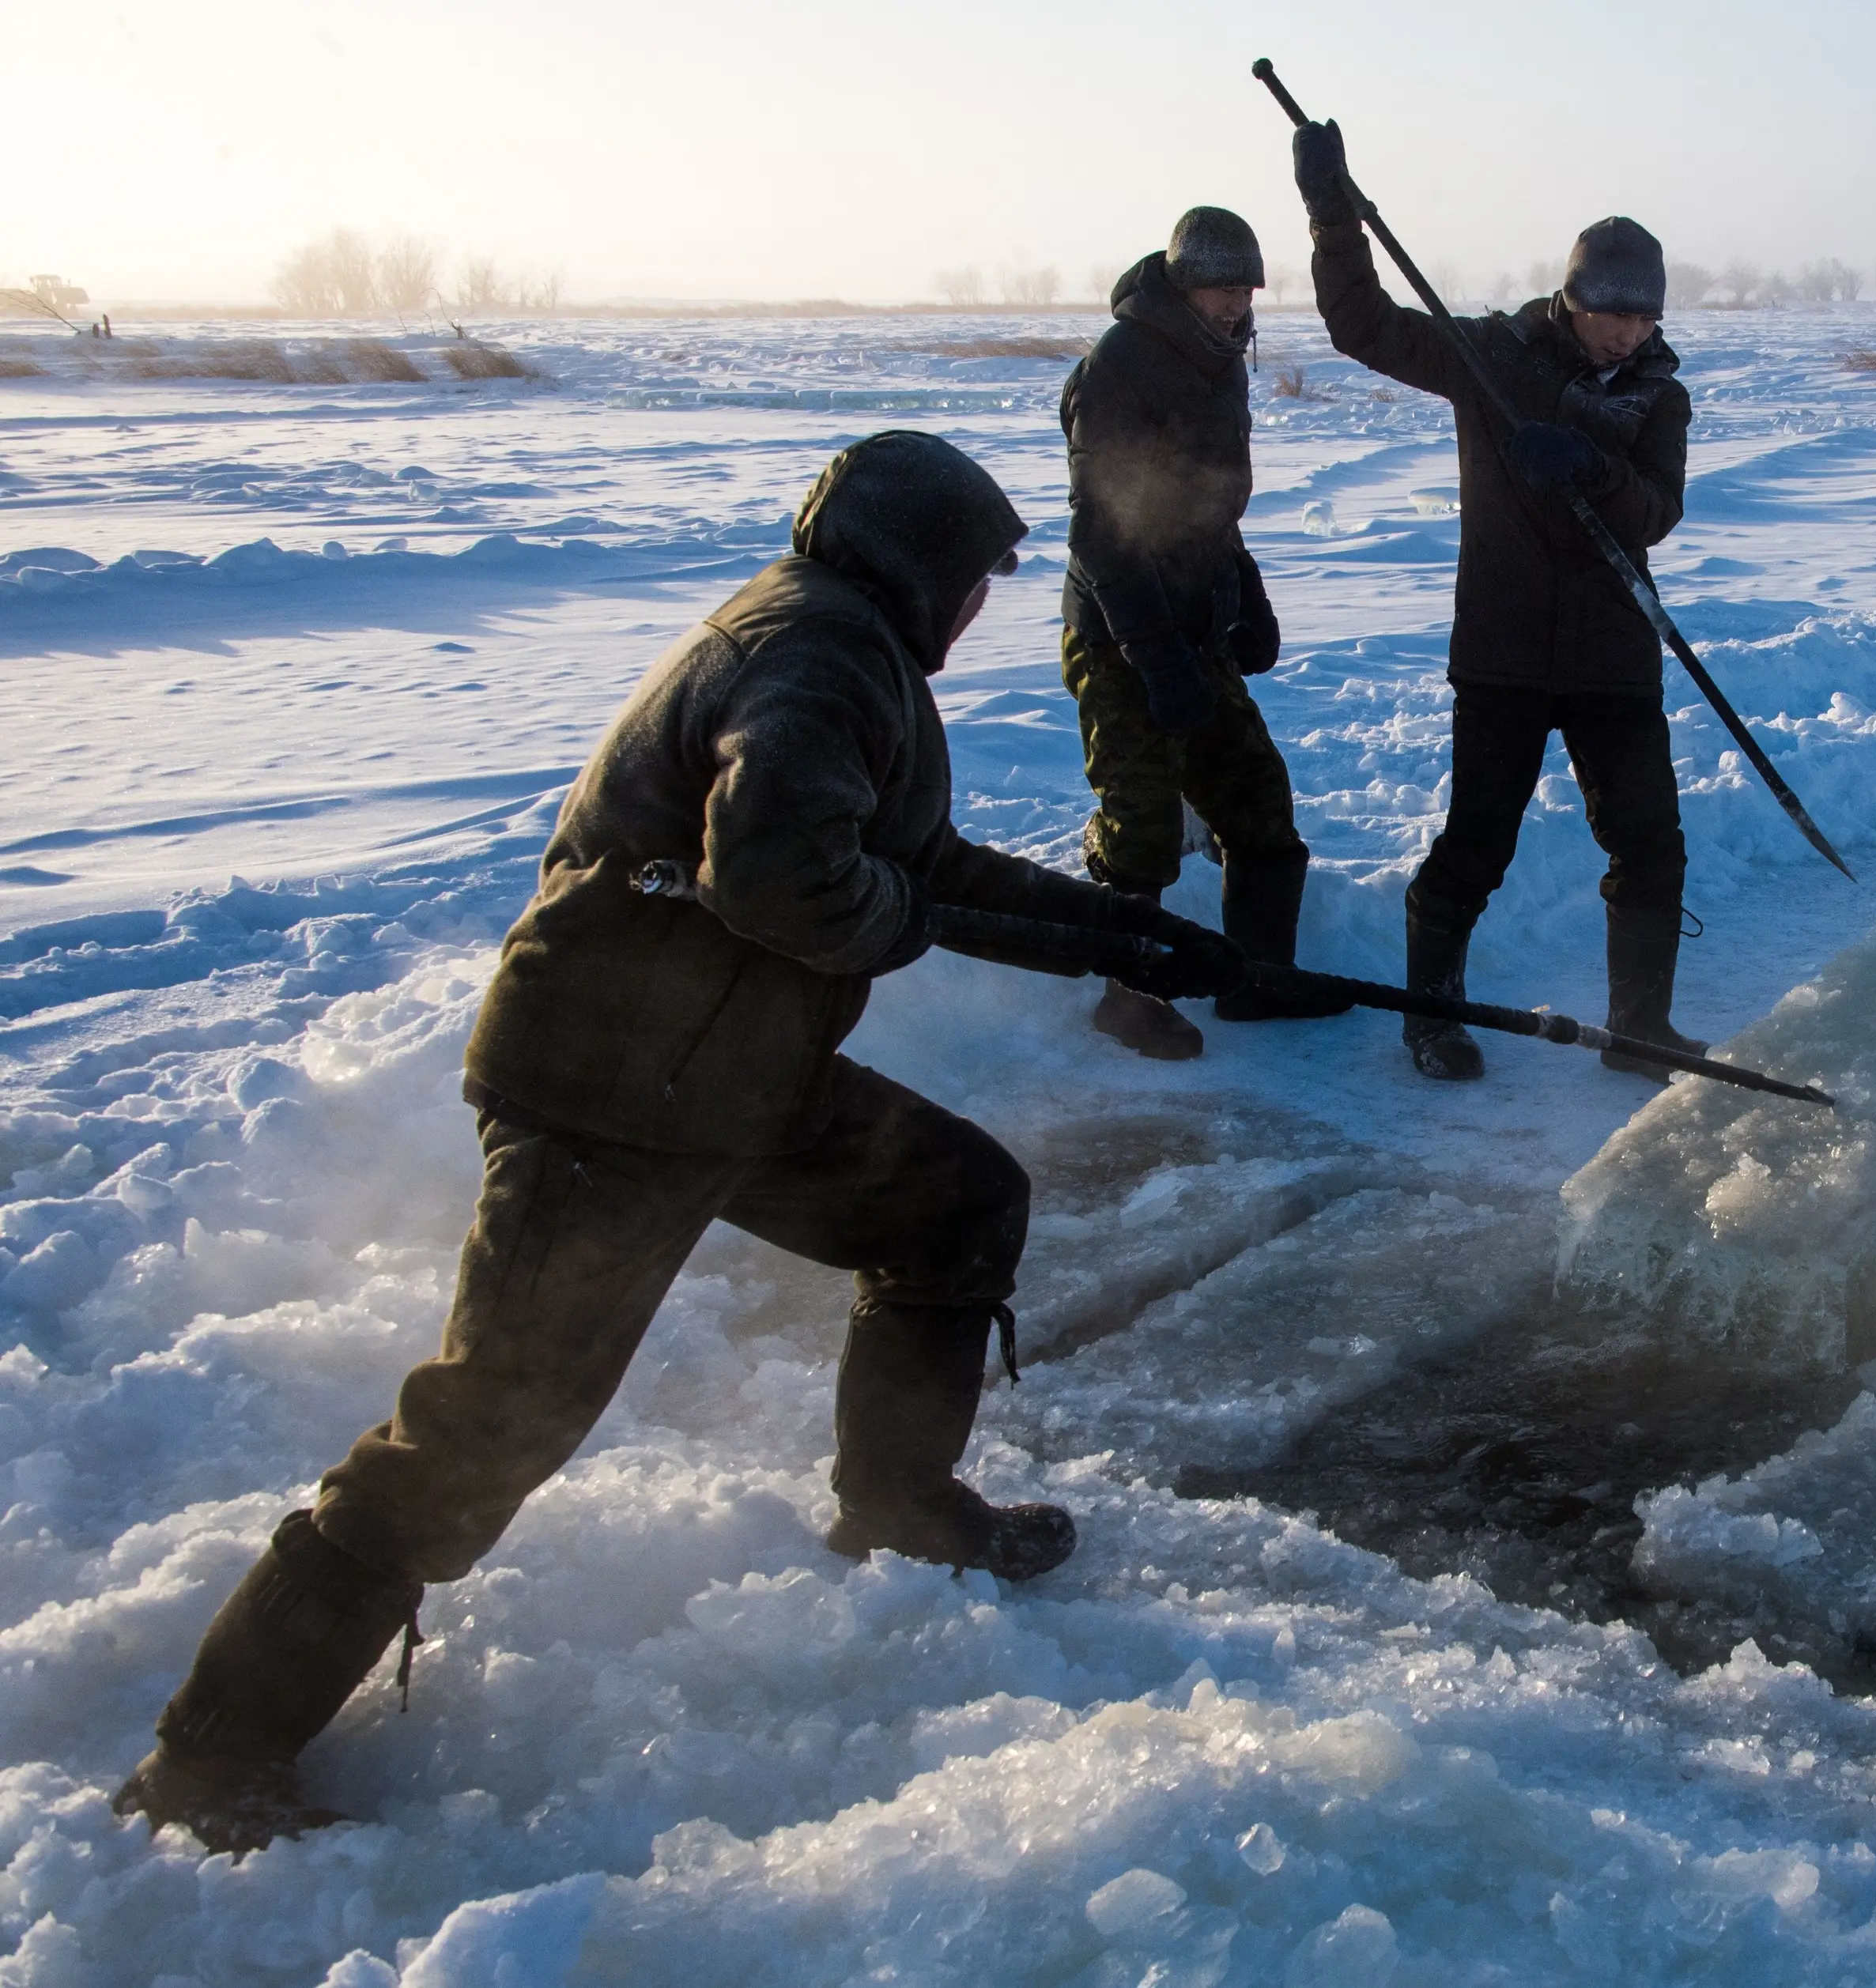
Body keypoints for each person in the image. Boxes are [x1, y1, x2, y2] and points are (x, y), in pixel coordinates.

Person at [112, 431, 1246, 1854]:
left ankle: (900, 1505)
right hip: (609, 1091)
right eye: (973, 581)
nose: (977, 610)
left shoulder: (844, 641)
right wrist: (896, 918)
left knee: (950, 1203)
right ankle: (206, 1761)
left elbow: (927, 868)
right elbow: (782, 876)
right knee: (485, 1424)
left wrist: (1134, 940)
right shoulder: (816, 659)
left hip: (725, 1073)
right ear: (916, 564)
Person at [1290, 120, 1698, 1083]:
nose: (1627, 333)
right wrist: (1331, 212)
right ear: (1571, 296)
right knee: (1478, 839)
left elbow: (1656, 513)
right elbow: (1363, 327)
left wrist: (1590, 463)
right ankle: (1431, 1020)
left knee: (1651, 843)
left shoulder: (1659, 397)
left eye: (1643, 319)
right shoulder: (1492, 358)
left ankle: (1642, 1031)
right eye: (1612, 314)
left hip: (1613, 656)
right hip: (1504, 653)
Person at [1060, 206, 1352, 1061]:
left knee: (1258, 799)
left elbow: (1211, 509)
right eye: (1222, 289)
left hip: (1197, 620)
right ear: (1184, 287)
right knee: (1142, 817)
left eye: (1247, 289)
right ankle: (1128, 996)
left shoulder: (1223, 363)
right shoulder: (1119, 368)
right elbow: (1103, 535)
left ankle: (1260, 979)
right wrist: (1159, 666)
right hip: (1119, 627)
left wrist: (1246, 596)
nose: (1238, 305)